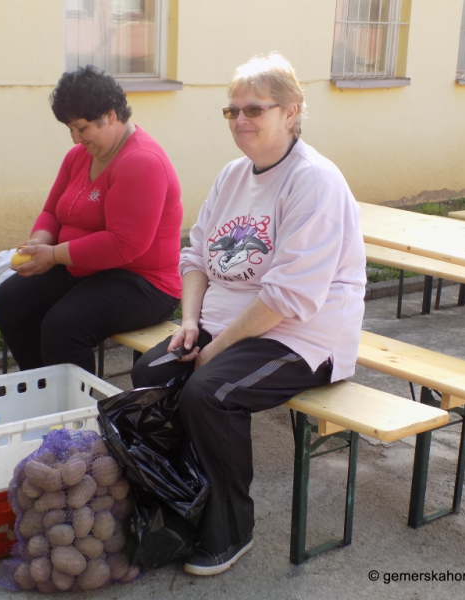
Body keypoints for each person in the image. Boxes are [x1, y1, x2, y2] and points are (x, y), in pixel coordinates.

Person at [131, 53, 366, 576]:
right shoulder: (233, 176)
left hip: (301, 337)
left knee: (210, 393)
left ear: (292, 112)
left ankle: (231, 528)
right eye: (231, 111)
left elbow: (289, 298)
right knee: (150, 375)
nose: (240, 122)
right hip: (229, 326)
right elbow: (195, 256)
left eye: (254, 109)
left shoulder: (314, 182)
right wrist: (191, 325)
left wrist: (214, 349)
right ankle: (181, 502)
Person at [0, 65, 183, 375]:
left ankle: (79, 415)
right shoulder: (79, 157)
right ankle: (42, 392)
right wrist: (40, 240)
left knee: (64, 325)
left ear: (110, 115)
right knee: (11, 299)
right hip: (87, 268)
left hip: (143, 282)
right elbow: (52, 212)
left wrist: (53, 255)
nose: (75, 139)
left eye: (81, 128)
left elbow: (125, 245)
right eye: (70, 129)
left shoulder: (142, 162)